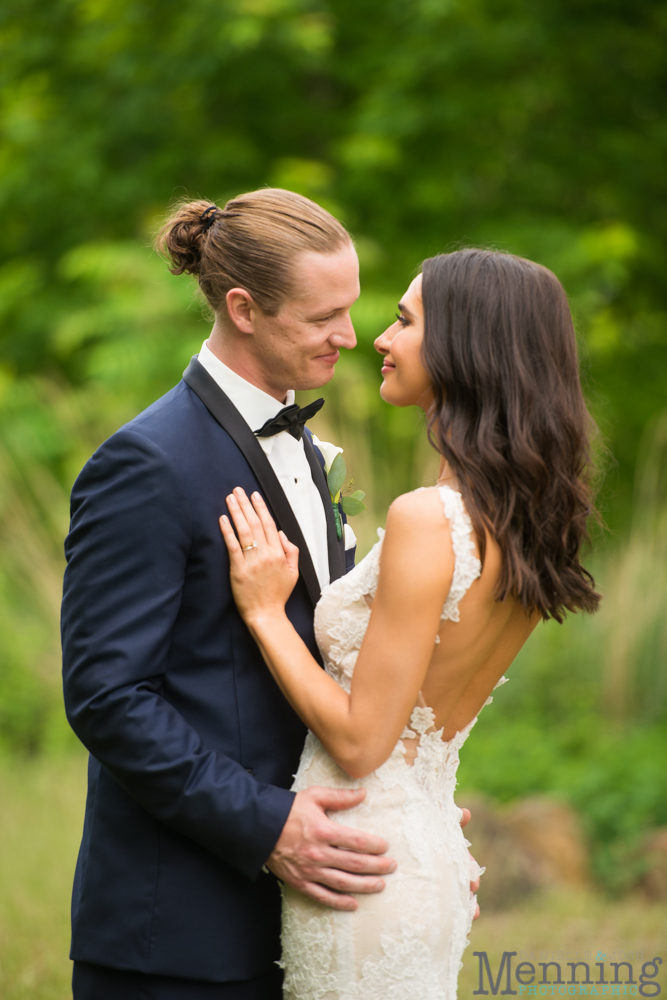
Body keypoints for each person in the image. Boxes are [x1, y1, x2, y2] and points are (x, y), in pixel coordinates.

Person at [219, 248, 602, 1000]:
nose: (379, 340)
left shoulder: (428, 520)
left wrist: (265, 614)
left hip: (365, 862)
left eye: (403, 320)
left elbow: (363, 742)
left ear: (465, 347)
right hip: (420, 846)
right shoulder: (519, 526)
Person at [61, 189, 393, 1000]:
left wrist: (401, 819)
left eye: (349, 310)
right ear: (243, 308)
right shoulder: (145, 464)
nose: (348, 338)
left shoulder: (314, 456)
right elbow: (107, 697)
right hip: (176, 939)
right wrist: (267, 825)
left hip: (304, 919)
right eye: (323, 317)